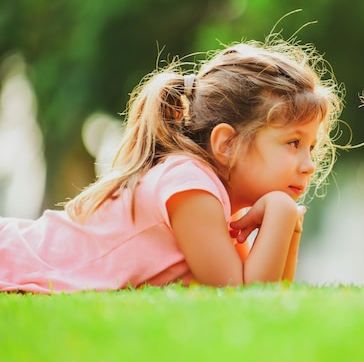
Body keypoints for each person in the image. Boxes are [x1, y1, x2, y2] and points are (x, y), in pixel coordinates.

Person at [0, 36, 342, 293]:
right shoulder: (189, 183)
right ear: (227, 144)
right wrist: (281, 210)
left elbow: (275, 300)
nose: (309, 164)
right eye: (293, 143)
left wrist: (288, 226)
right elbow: (245, 298)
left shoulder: (225, 209)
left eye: (311, 146)